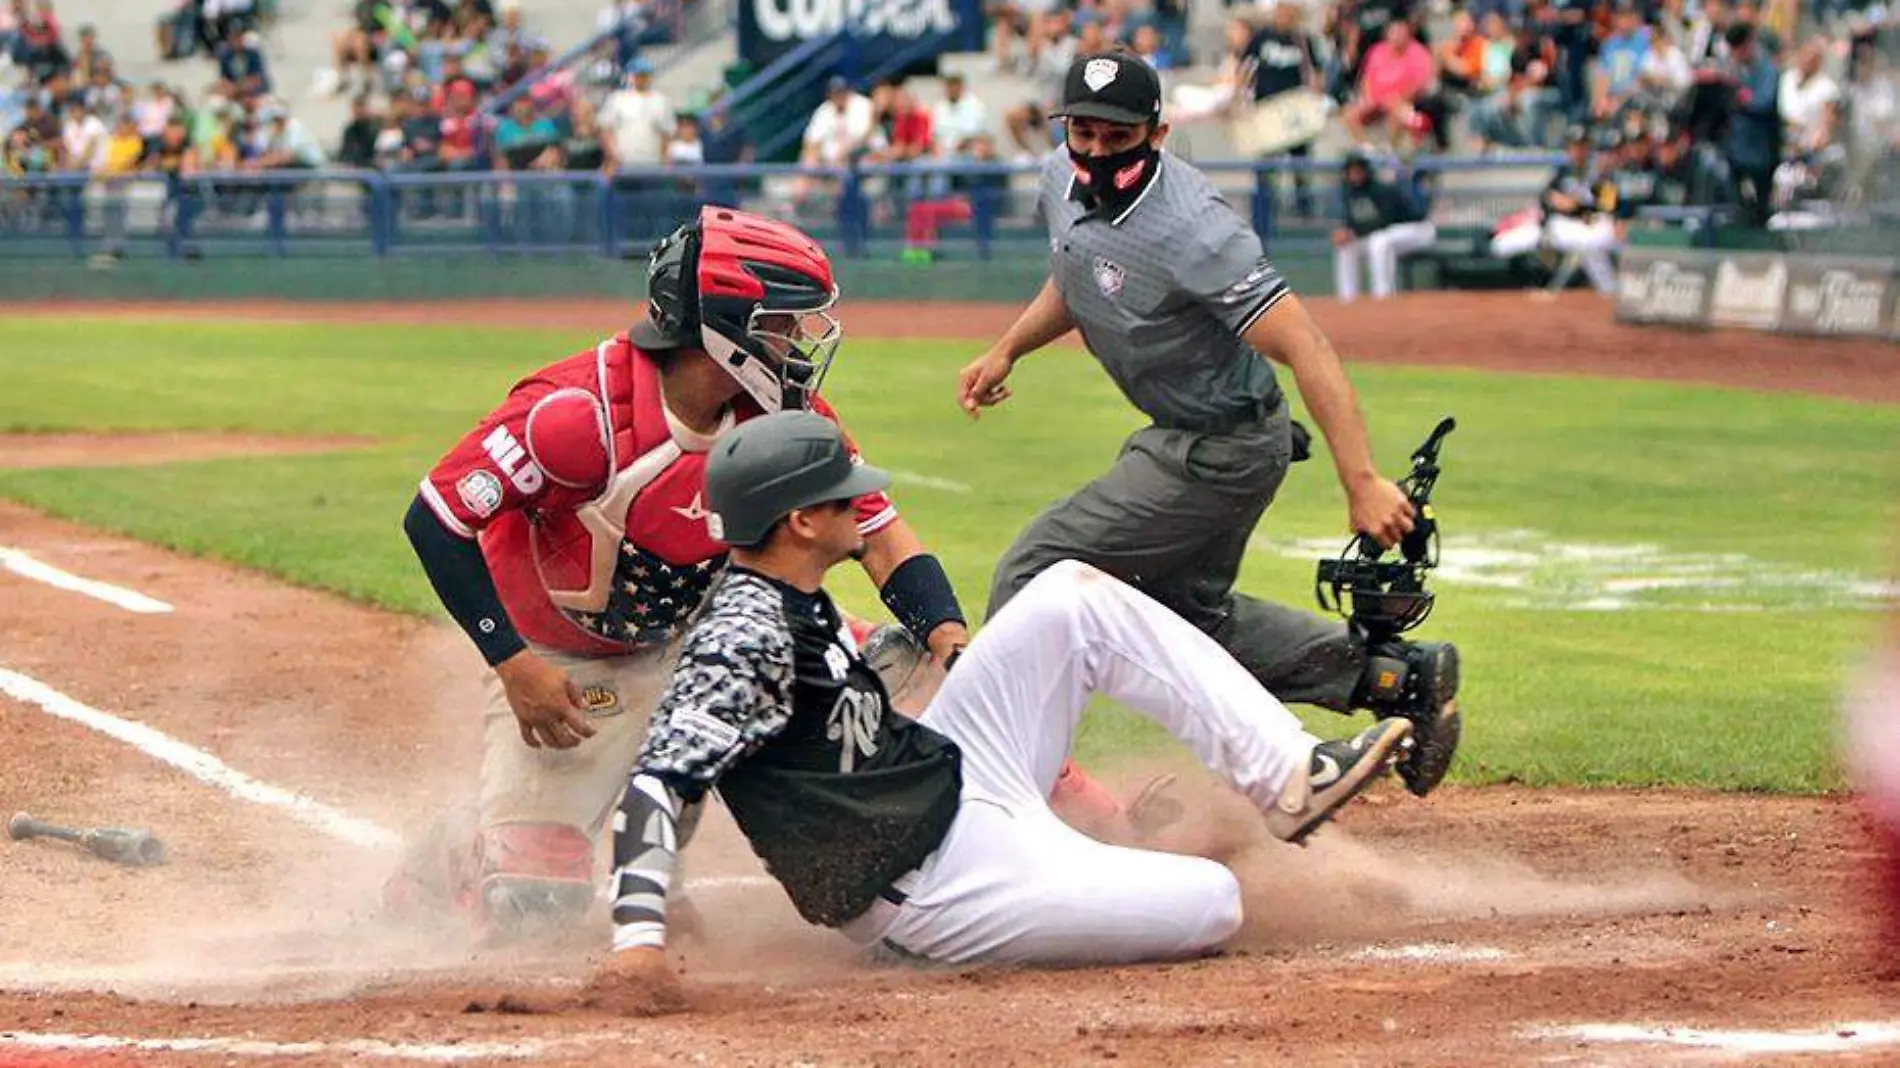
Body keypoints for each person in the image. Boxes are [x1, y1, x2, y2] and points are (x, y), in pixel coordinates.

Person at [569, 411, 1415, 1014]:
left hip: (954, 775)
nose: (864, 505)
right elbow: (661, 782)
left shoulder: (788, 586)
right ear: (800, 521)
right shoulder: (743, 637)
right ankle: (1047, 884)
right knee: (1213, 902)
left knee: (1067, 597)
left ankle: (1289, 774)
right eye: (845, 497)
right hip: (936, 887)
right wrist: (639, 938)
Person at [395, 207, 976, 940]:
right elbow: (437, 518)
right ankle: (462, 841)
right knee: (534, 913)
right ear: (726, 326)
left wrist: (952, 637)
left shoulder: (786, 415)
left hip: (703, 634)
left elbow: (879, 537)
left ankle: (668, 863)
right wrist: (513, 665)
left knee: (898, 662)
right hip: (563, 660)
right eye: (782, 325)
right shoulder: (579, 415)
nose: (799, 344)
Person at [956, 51, 1462, 801]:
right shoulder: (1057, 180)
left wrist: (1360, 481)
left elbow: (1304, 345)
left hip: (1221, 445)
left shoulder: (1195, 229)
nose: (1095, 152)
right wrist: (1007, 349)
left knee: (1035, 572)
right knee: (1189, 619)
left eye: (1116, 137)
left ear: (1156, 134)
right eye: (1083, 132)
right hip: (1191, 434)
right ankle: (1392, 676)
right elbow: (1078, 272)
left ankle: (1004, 789)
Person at [1331, 150, 1436, 301]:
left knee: (1380, 241)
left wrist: (1353, 232)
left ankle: (1383, 297)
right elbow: (1352, 222)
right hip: (1388, 234)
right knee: (1347, 247)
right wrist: (1345, 233)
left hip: (1418, 229)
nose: (1355, 174)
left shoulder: (1381, 189)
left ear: (1367, 171)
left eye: (1358, 170)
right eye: (1351, 171)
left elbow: (1384, 220)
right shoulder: (1348, 192)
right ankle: (1347, 299)